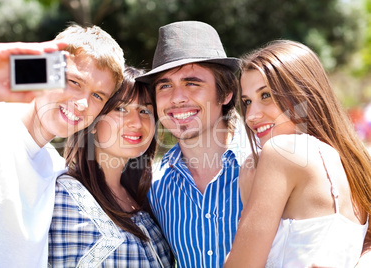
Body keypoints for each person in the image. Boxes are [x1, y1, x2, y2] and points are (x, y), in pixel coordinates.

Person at [0, 24, 125, 267]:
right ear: (46, 70)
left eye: (97, 96)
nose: (83, 103)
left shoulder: (55, 169)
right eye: (74, 82)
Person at [223, 40, 371, 267]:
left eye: (266, 96)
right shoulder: (356, 162)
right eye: (247, 102)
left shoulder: (281, 153)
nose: (251, 115)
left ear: (303, 93)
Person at [136, 21, 250, 268]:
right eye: (165, 85)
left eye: (192, 83)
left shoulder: (265, 163)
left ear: (226, 92)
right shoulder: (155, 186)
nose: (177, 98)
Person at [48, 66, 174, 267]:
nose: (136, 122)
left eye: (145, 111)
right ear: (95, 121)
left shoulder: (148, 198)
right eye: (121, 109)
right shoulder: (63, 197)